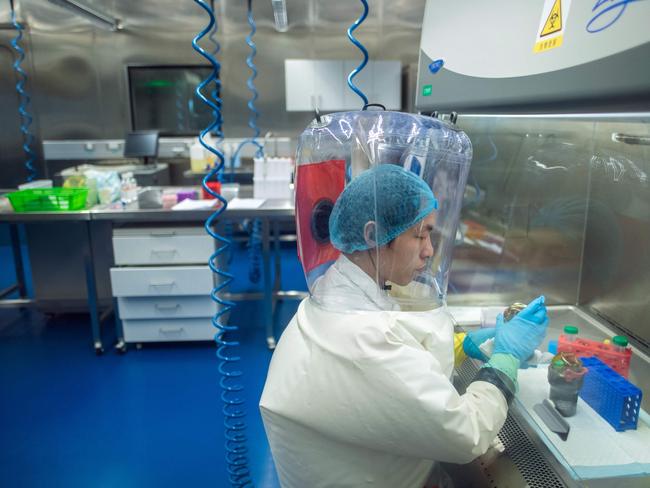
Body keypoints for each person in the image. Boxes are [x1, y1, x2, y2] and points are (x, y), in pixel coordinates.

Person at [260, 164, 548, 488]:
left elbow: (391, 352)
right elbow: (466, 434)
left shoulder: (339, 287)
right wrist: (505, 359)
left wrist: (459, 346)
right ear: (373, 235)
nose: (428, 250)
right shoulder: (366, 340)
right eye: (419, 234)